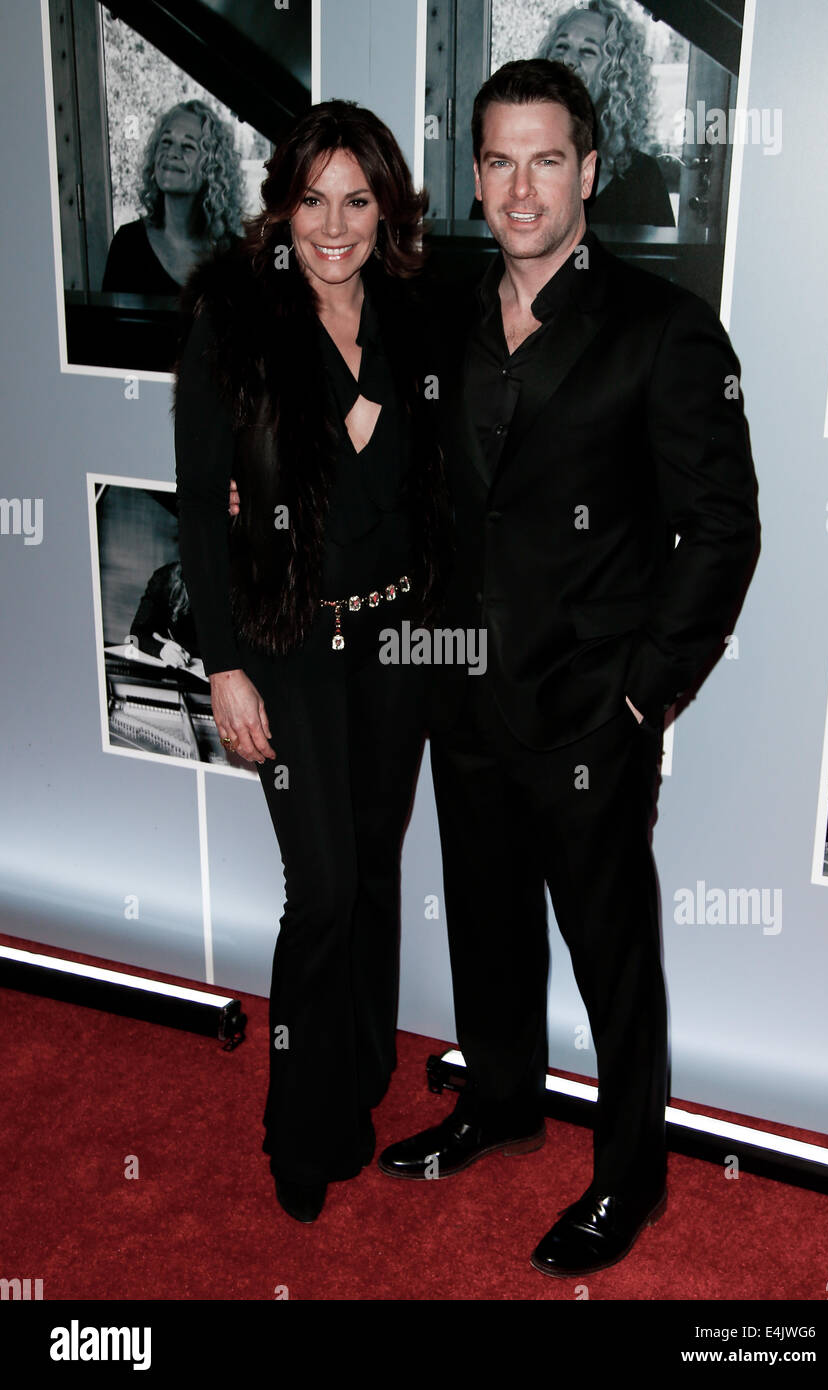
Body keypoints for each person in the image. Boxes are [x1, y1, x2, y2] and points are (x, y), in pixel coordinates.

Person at [377, 59, 760, 1279]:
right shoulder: (441, 312)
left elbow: (723, 529)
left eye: (546, 159)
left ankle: (630, 1176)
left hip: (592, 710)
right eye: (497, 161)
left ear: (588, 171)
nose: (520, 186)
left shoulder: (661, 328)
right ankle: (498, 1103)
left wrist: (643, 693)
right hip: (465, 696)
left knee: (611, 955)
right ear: (475, 176)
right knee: (487, 929)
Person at [173, 100, 449, 1224]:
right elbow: (200, 500)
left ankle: (363, 1075)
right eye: (312, 198)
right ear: (281, 201)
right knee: (322, 886)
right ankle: (299, 1121)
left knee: (375, 870)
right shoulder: (233, 314)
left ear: (385, 210)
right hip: (289, 644)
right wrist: (223, 666)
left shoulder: (418, 312)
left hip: (398, 638)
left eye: (357, 200)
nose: (332, 226)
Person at [471, 0, 673, 226]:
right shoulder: (507, 162)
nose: (568, 60)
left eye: (587, 51)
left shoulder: (643, 177)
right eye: (561, 47)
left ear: (616, 76)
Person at [103, 100, 244, 296]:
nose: (172, 153)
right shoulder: (128, 244)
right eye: (166, 142)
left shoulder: (237, 256)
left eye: (188, 146)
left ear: (212, 167)